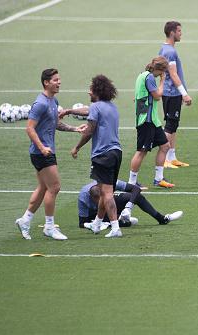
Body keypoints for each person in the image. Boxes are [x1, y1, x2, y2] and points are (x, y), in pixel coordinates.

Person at [15, 68, 86, 241]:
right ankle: (49, 227)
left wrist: (75, 129)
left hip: (44, 151)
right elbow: (29, 128)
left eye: (59, 79)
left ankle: (25, 220)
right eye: (55, 80)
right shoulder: (40, 103)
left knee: (43, 188)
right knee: (54, 187)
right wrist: (41, 147)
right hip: (42, 152)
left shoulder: (53, 101)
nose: (59, 82)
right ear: (46, 82)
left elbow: (56, 124)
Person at [71, 74, 123, 237]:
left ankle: (115, 228)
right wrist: (69, 110)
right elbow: (88, 111)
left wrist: (77, 147)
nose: (89, 92)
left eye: (91, 89)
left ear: (97, 90)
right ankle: (97, 223)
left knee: (107, 193)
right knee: (104, 190)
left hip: (102, 155)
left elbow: (89, 131)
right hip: (116, 153)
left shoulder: (95, 107)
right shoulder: (112, 107)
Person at [128, 56, 175, 189]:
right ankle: (131, 183)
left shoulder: (142, 76)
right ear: (161, 70)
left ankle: (158, 179)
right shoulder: (149, 77)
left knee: (165, 145)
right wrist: (162, 82)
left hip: (153, 121)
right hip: (146, 121)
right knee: (141, 151)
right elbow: (157, 96)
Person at [77, 179, 183, 230]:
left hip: (111, 203)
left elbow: (136, 189)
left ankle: (162, 219)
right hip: (94, 215)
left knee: (137, 197)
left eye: (104, 199)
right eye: (99, 202)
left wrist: (129, 206)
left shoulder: (110, 183)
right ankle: (120, 222)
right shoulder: (83, 198)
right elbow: (82, 222)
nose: (102, 203)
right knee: (124, 223)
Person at [159, 20, 192, 169]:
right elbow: (173, 74)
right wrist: (184, 94)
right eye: (179, 31)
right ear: (172, 32)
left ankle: (172, 157)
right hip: (172, 93)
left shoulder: (165, 49)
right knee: (170, 125)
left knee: (173, 125)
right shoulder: (170, 52)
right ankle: (164, 158)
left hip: (170, 93)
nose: (181, 34)